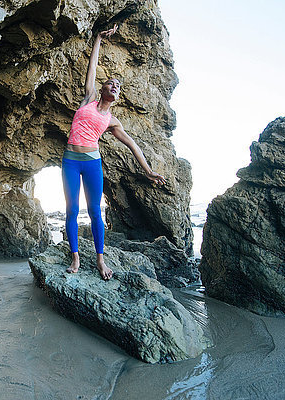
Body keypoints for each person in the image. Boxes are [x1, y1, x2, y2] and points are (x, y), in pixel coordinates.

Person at [62, 24, 167, 280]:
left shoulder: (112, 121)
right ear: (103, 89)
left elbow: (132, 145)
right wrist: (98, 38)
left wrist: (149, 171)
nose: (114, 85)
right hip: (70, 161)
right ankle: (75, 256)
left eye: (117, 86)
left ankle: (100, 259)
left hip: (92, 162)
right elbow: (92, 66)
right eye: (111, 83)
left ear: (117, 97)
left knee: (95, 211)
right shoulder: (89, 98)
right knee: (71, 210)